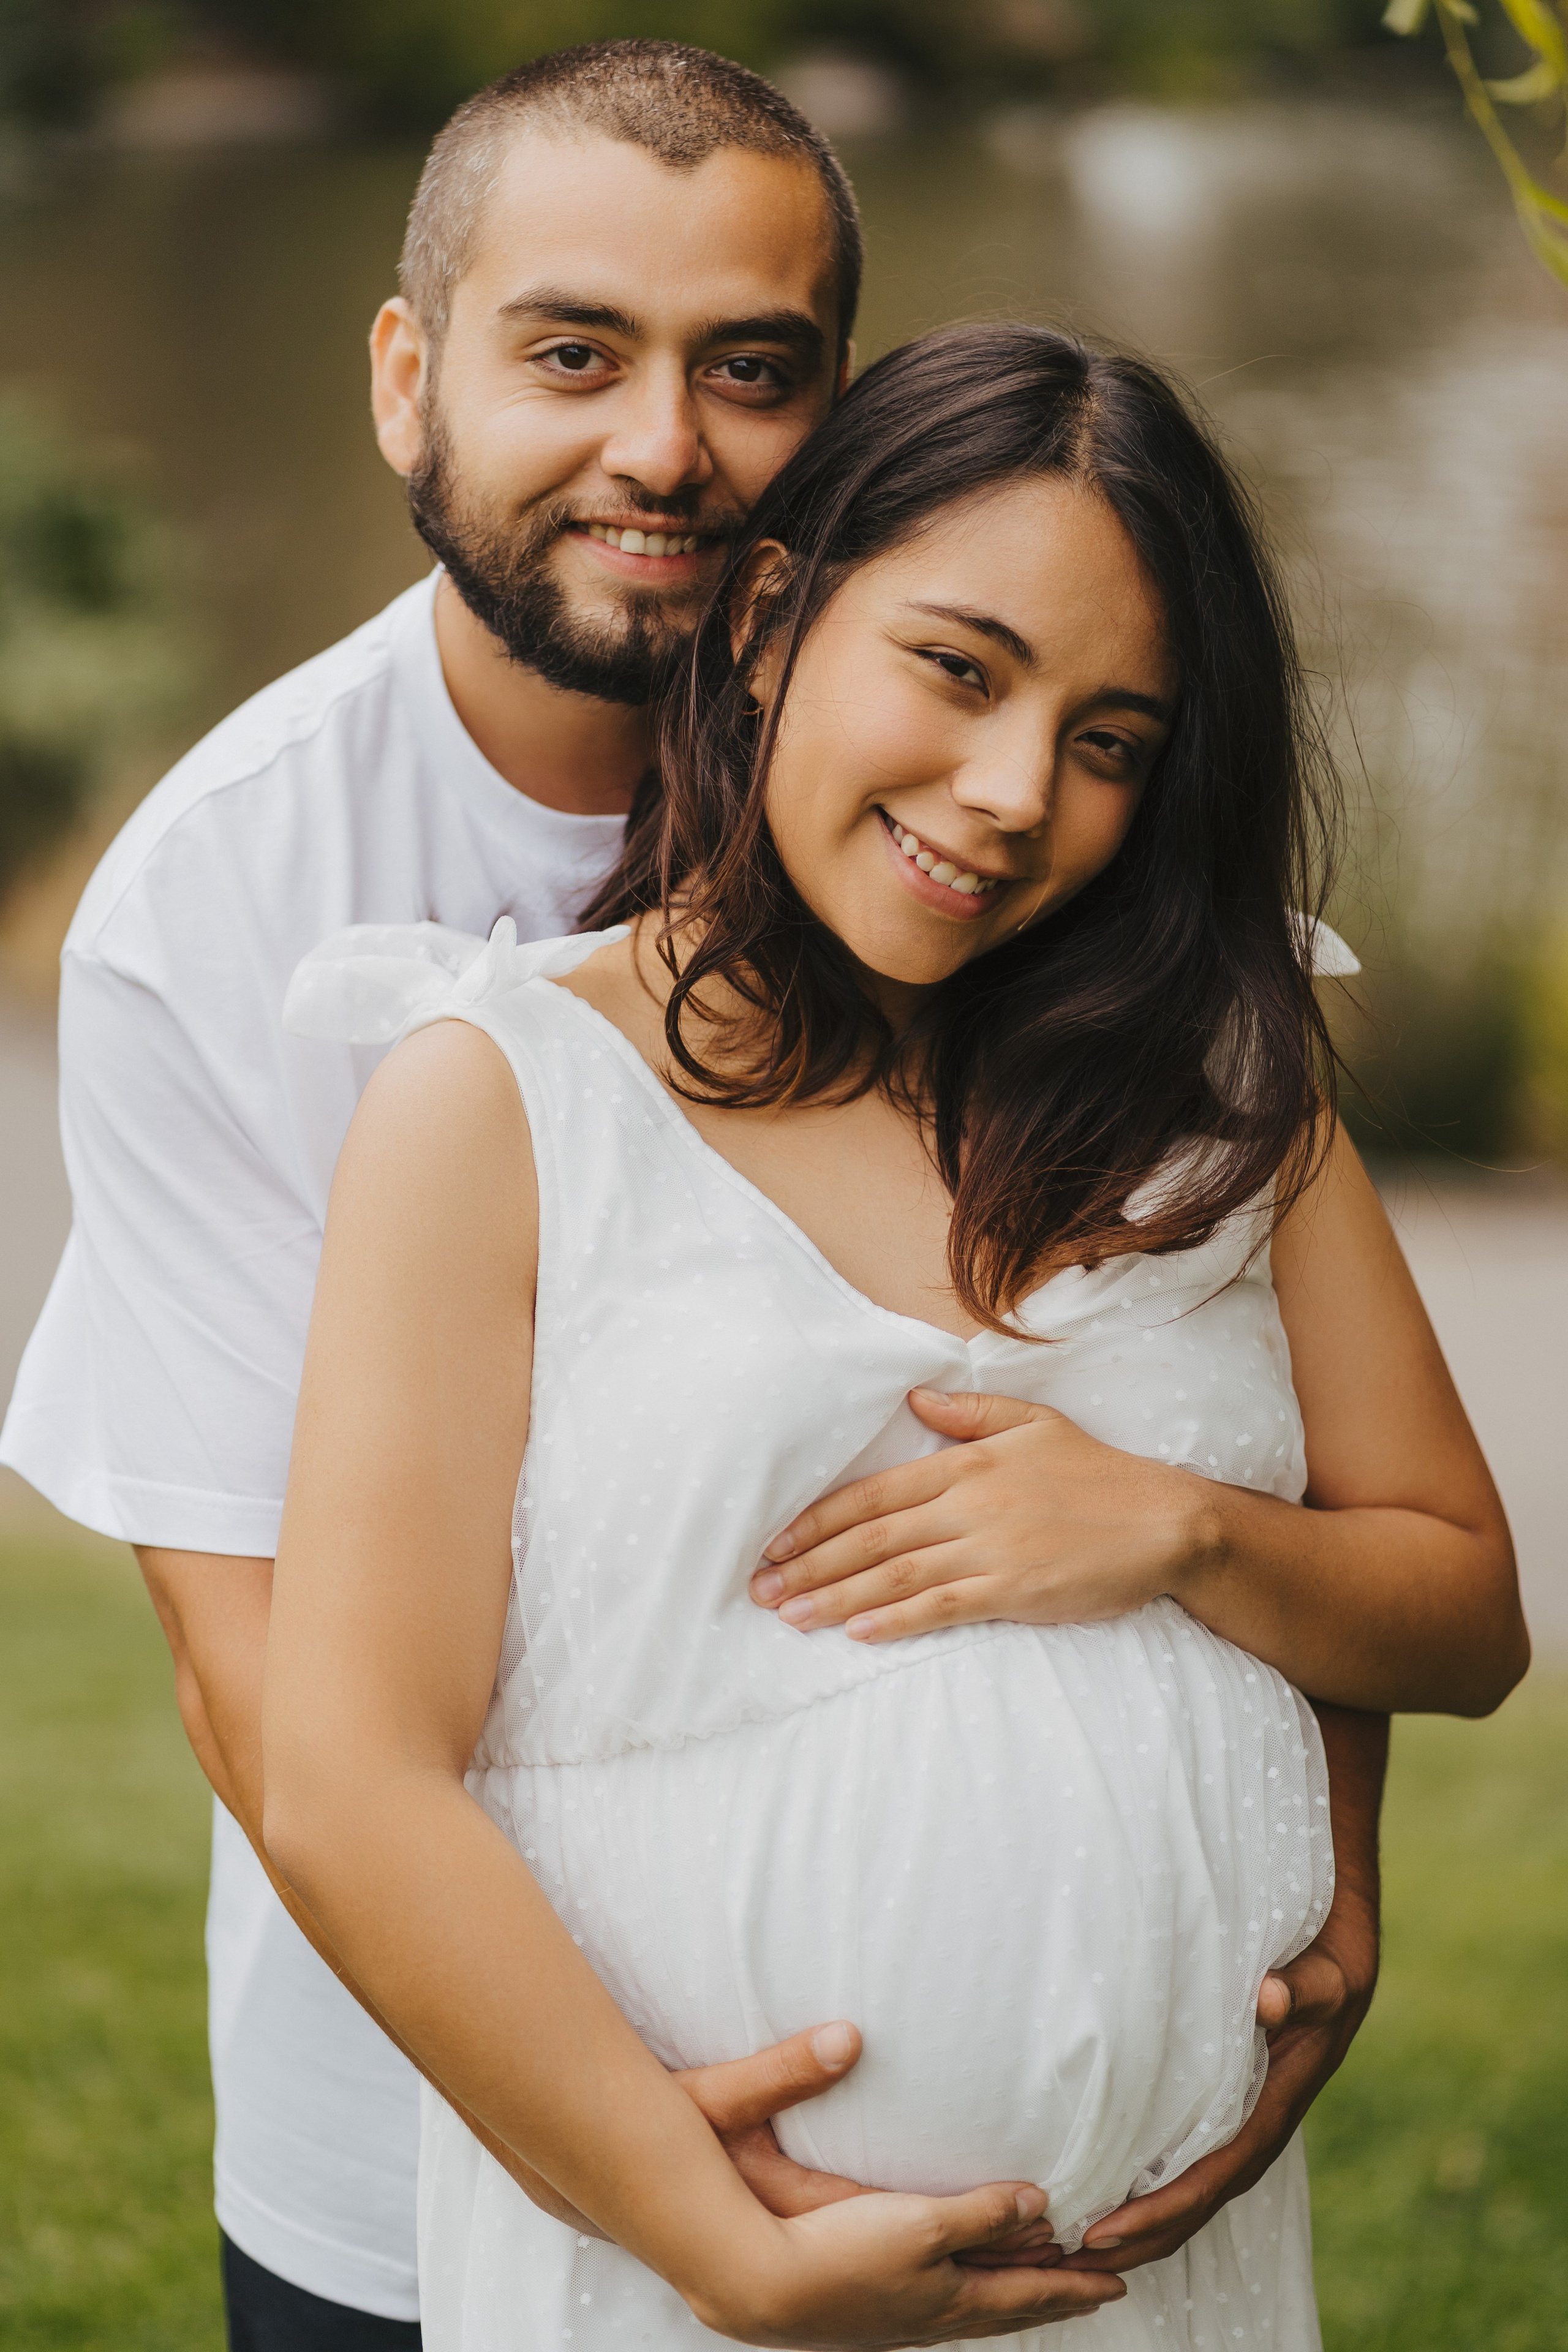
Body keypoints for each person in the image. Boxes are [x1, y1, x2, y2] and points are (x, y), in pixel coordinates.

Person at [263, 323, 1526, 2351]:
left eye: (1113, 740)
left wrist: (1181, 1532)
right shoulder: (497, 1101)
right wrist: (717, 2244)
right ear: (771, 618)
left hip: (1153, 2283)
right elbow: (347, 1775)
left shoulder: (1217, 1086)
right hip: (687, 2273)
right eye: (959, 668)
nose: (1017, 793)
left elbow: (1466, 1615)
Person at [0, 40, 866, 2348]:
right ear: (410, 382)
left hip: (900, 2052)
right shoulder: (214, 900)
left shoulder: (947, 802)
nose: (664, 447)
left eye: (753, 368)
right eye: (572, 352)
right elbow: (249, 1669)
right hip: (399, 2139)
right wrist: (614, 2123)